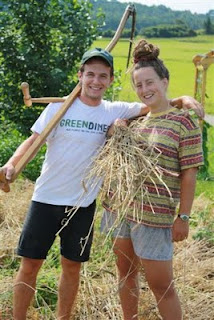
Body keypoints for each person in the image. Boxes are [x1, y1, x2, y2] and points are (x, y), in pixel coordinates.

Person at [0, 47, 203, 320]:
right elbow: (33, 141)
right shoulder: (59, 108)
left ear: (109, 80)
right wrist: (12, 164)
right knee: (30, 266)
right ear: (80, 75)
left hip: (83, 205)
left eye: (103, 76)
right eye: (91, 74)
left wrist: (184, 98)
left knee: (72, 268)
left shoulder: (115, 110)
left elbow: (154, 103)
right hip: (46, 199)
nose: (96, 81)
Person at [101, 39, 204, 320]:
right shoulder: (137, 120)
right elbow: (113, 131)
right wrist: (118, 126)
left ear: (164, 80)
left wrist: (183, 216)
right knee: (126, 274)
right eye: (139, 85)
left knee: (162, 287)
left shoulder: (184, 122)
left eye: (150, 82)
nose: (144, 90)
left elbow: (190, 172)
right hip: (121, 209)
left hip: (156, 217)